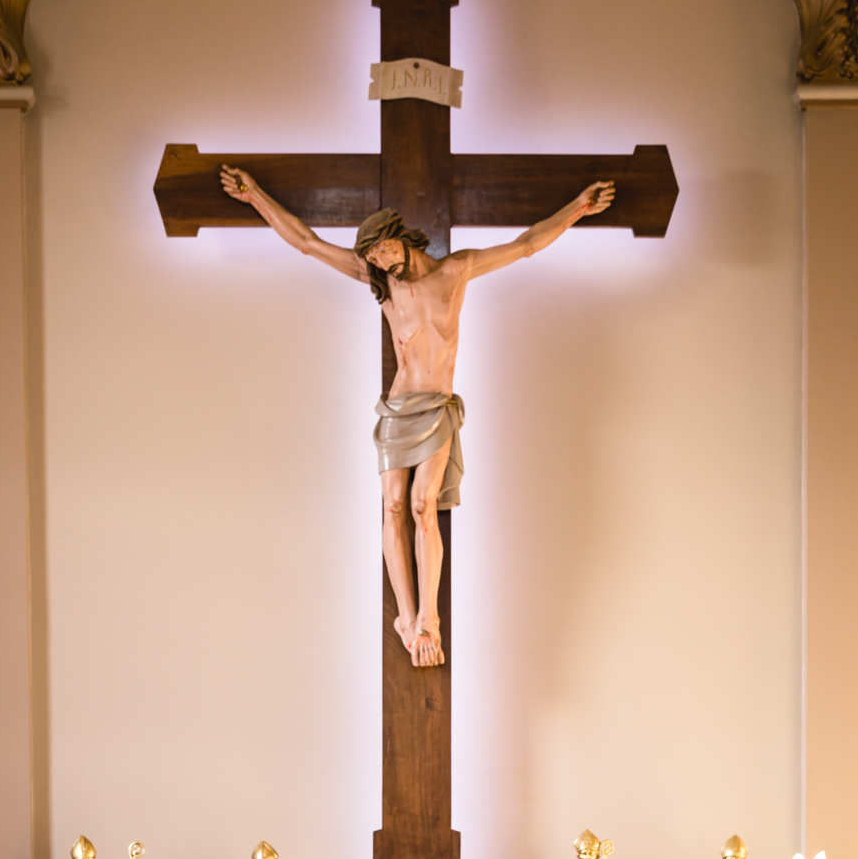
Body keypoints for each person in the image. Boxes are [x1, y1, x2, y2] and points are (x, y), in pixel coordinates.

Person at [219, 164, 615, 669]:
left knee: (423, 505)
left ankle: (430, 615)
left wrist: (579, 207)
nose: (377, 264)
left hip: (436, 408)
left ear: (398, 240)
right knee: (391, 507)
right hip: (397, 409)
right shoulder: (380, 281)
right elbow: (307, 243)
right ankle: (406, 617)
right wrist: (254, 195)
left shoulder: (455, 271)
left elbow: (527, 244)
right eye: (370, 259)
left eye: (380, 253)